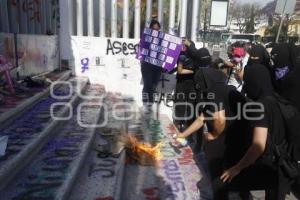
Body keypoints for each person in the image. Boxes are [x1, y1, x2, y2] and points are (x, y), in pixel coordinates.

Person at [210, 64, 288, 200]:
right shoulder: (278, 98)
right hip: (282, 167)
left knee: (219, 185)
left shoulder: (260, 106)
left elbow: (258, 146)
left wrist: (236, 168)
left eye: (248, 81)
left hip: (266, 166)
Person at [140, 20, 162, 112]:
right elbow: (141, 48)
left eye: (157, 29)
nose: (155, 31)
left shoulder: (162, 39)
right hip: (147, 65)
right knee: (147, 84)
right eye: (154, 29)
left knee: (153, 86)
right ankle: (145, 103)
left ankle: (151, 103)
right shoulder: (145, 37)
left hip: (157, 66)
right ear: (150, 29)